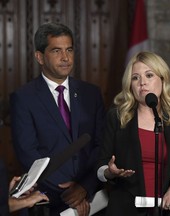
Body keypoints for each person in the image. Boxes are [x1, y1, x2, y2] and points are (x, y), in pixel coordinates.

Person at [10, 22, 105, 215]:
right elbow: (28, 154)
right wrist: (68, 193)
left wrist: (84, 187)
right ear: (40, 57)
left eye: (69, 50)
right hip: (47, 202)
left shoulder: (91, 94)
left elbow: (101, 145)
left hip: (91, 200)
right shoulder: (24, 98)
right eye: (56, 51)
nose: (65, 58)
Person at [96, 51, 170, 216]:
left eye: (149, 75)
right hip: (127, 208)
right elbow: (101, 162)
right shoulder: (116, 116)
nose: (142, 83)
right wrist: (109, 172)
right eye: (135, 78)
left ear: (162, 79)